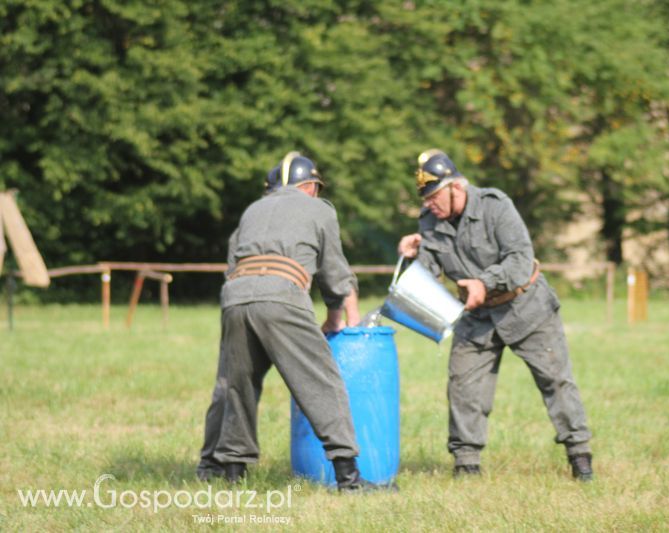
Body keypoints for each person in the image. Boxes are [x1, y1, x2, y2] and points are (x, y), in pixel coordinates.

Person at [398, 149, 594, 481]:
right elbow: (428, 273)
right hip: (476, 318)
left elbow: (520, 259)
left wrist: (483, 282)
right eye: (425, 197)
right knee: (463, 387)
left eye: (433, 195)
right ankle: (466, 465)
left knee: (556, 382)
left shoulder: (495, 205)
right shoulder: (429, 221)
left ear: (456, 188)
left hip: (527, 308)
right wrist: (408, 257)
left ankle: (580, 458)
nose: (429, 203)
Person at [197, 151, 374, 491]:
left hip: (235, 295)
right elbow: (333, 270)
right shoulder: (319, 209)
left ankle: (231, 473)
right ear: (310, 186)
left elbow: (233, 258)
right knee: (321, 382)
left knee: (236, 384)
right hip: (281, 293)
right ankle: (349, 478)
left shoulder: (253, 209)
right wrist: (336, 315)